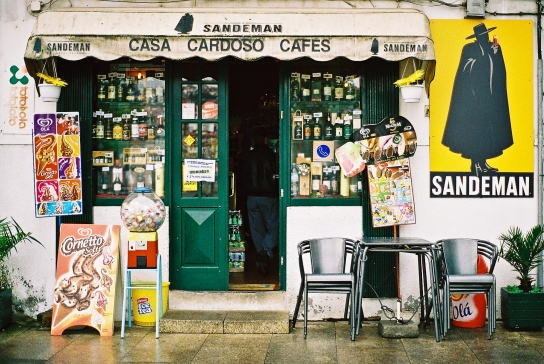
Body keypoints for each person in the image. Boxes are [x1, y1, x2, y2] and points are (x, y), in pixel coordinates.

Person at [442, 23, 513, 176]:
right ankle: (475, 165)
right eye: (482, 35)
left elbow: (500, 71)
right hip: (472, 97)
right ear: (477, 37)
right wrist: (483, 59)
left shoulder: (493, 48)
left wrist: (495, 54)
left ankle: (483, 162)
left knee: (488, 131)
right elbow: (466, 68)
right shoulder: (469, 49)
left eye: (486, 35)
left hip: (490, 97)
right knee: (475, 132)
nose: (485, 38)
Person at [241, 127, 278, 276]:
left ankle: (261, 256)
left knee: (256, 229)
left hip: (252, 197)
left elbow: (243, 177)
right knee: (274, 227)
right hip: (269, 197)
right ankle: (265, 251)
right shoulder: (272, 155)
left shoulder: (247, 156)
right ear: (265, 139)